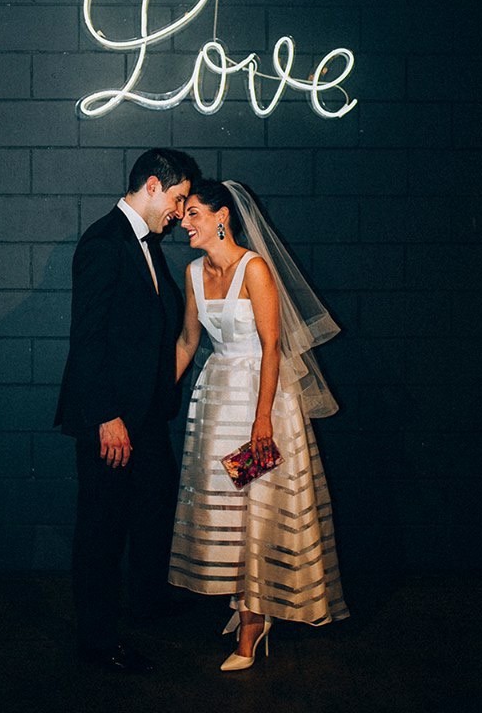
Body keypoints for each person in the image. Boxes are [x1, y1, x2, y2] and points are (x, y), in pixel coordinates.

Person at [169, 179, 349, 671]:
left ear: (221, 216)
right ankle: (248, 605)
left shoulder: (255, 268)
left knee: (260, 506)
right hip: (217, 399)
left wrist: (263, 418)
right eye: (183, 214)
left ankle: (253, 624)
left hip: (260, 398)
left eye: (194, 214)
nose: (184, 222)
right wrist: (156, 393)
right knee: (226, 508)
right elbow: (187, 342)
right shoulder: (191, 272)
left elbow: (273, 347)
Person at [55, 148, 201, 674]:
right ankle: (96, 643)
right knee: (101, 528)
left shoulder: (145, 244)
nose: (181, 212)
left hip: (142, 416)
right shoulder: (105, 241)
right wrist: (106, 417)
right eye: (179, 198)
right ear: (153, 187)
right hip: (111, 419)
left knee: (154, 508)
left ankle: (147, 603)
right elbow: (87, 339)